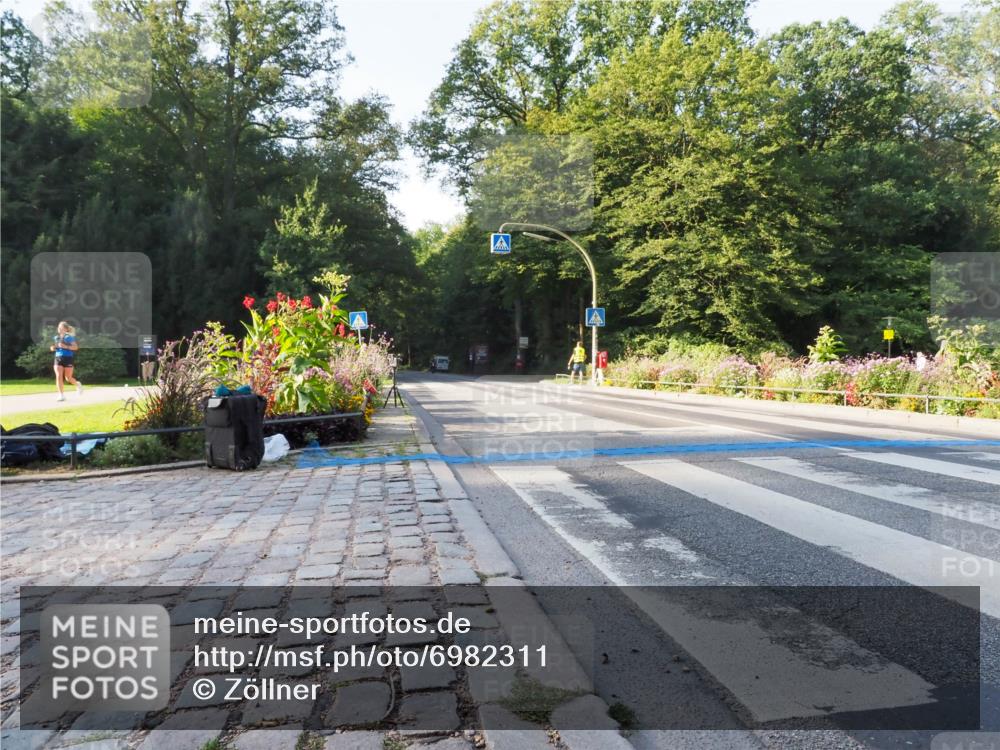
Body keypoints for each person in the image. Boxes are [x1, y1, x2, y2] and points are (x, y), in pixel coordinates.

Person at [50, 321, 82, 402]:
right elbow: (55, 347)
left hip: (68, 358)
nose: (59, 329)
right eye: (58, 327)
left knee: (68, 378)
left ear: (66, 329)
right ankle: (61, 395)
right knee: (58, 376)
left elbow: (75, 347)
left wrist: (65, 346)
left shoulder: (69, 337)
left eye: (61, 328)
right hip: (58, 357)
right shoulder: (56, 338)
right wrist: (53, 348)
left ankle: (77, 384)